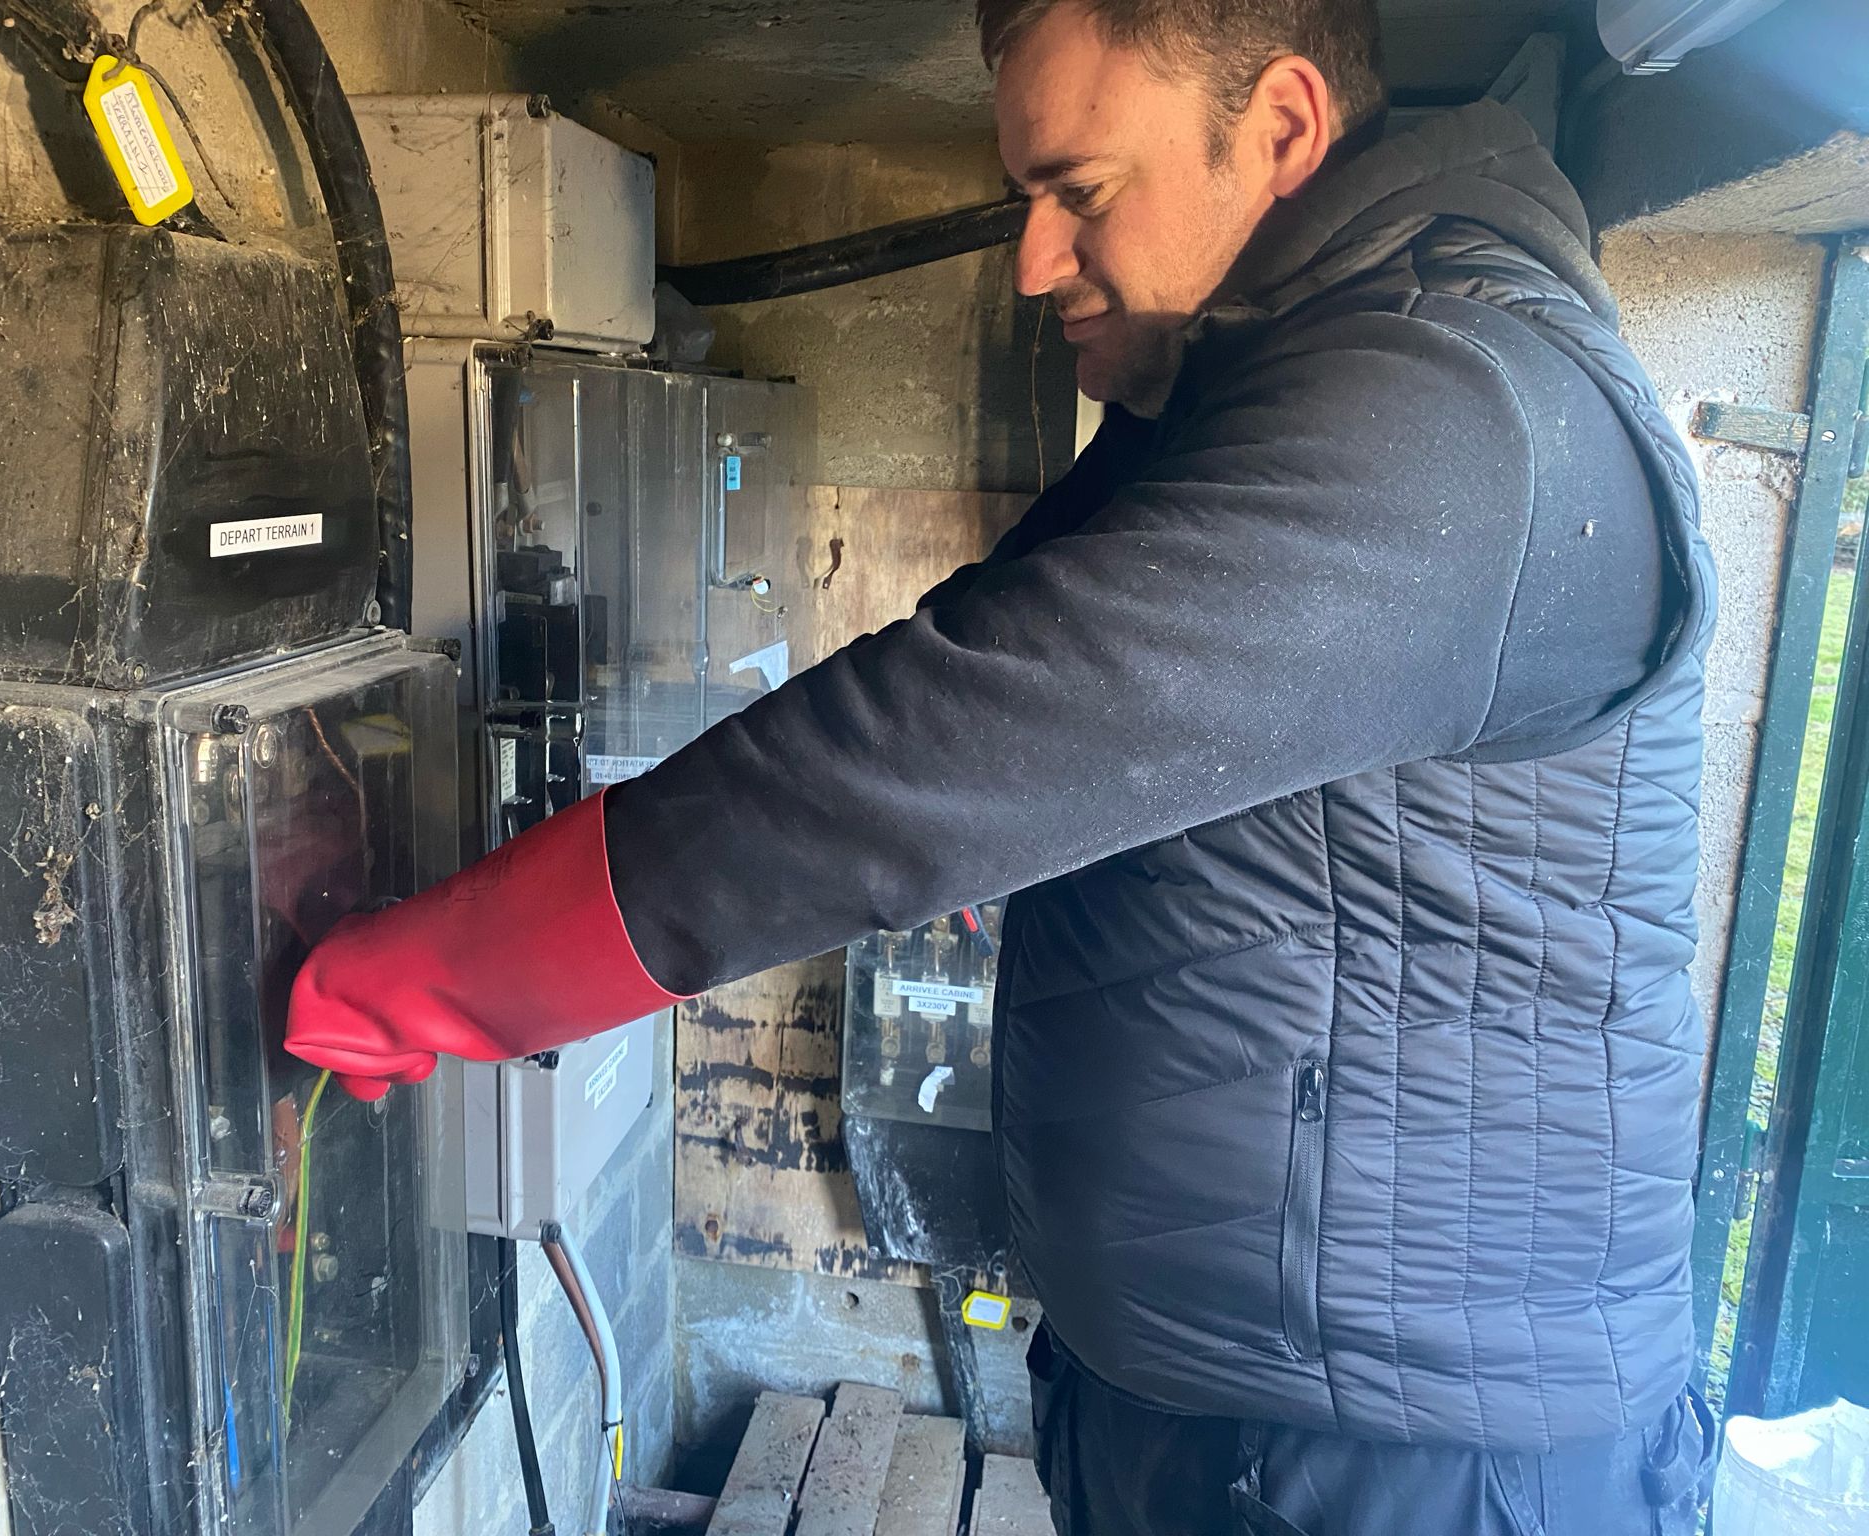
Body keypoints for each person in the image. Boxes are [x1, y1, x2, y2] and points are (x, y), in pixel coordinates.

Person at [287, 1, 1722, 1529]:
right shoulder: (1262, 375)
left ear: (1285, 128)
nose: (1034, 263)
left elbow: (924, 751)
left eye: (1079, 192)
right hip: (1216, 1398)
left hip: (1404, 1459)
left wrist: (423, 979)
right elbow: (987, 658)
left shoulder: (1459, 409)